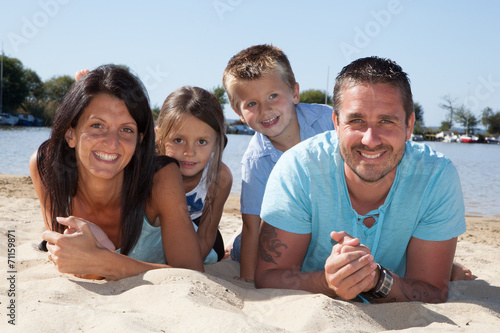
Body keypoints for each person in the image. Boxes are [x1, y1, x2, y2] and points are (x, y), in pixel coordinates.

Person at [255, 56, 468, 303]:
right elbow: (268, 277)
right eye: (356, 121)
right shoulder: (299, 168)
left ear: (409, 126)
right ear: (336, 123)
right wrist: (328, 282)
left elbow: (433, 291)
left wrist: (376, 280)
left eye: (386, 121)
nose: (370, 139)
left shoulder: (436, 176)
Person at [30, 65, 204, 280]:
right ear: (70, 133)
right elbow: (65, 254)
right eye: (97, 125)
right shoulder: (47, 166)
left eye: (126, 129)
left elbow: (192, 274)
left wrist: (104, 262)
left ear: (139, 140)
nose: (112, 143)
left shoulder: (161, 177)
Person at [222, 44, 334, 281]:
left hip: (328, 217)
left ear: (294, 93)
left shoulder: (329, 122)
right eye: (251, 104)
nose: (265, 109)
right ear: (238, 112)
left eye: (273, 96)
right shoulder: (256, 161)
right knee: (247, 245)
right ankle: (236, 242)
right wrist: (247, 280)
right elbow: (253, 225)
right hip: (282, 224)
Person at [155, 86, 232, 264]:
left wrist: (191, 261)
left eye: (202, 141)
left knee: (216, 254)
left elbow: (207, 234)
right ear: (159, 137)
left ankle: (233, 242)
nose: (190, 152)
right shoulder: (148, 167)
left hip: (196, 228)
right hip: (156, 226)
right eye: (178, 140)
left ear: (217, 142)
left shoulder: (220, 178)